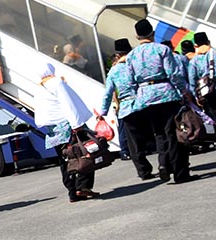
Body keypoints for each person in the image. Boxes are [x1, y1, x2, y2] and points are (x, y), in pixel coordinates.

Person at [129, 19, 193, 183]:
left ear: (136, 36)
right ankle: (180, 172)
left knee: (158, 133)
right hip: (166, 93)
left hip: (146, 96)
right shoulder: (162, 49)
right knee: (172, 132)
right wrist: (184, 91)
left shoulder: (131, 56)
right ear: (153, 33)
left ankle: (163, 164)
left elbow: (131, 81)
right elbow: (174, 74)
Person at [35, 62, 99, 202]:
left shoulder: (39, 88)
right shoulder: (56, 82)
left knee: (65, 161)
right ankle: (83, 186)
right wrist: (77, 124)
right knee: (85, 153)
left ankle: (72, 192)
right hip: (68, 126)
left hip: (53, 130)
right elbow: (68, 103)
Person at [99, 39, 152, 179]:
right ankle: (166, 162)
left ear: (117, 55)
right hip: (144, 103)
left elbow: (108, 93)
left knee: (133, 141)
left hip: (127, 108)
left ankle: (143, 170)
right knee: (155, 135)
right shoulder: (137, 64)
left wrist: (102, 112)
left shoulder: (114, 71)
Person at [188, 32, 216, 119]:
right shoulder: (214, 53)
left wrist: (196, 97)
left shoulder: (194, 61)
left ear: (196, 45)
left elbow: (192, 81)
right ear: (208, 42)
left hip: (207, 92)